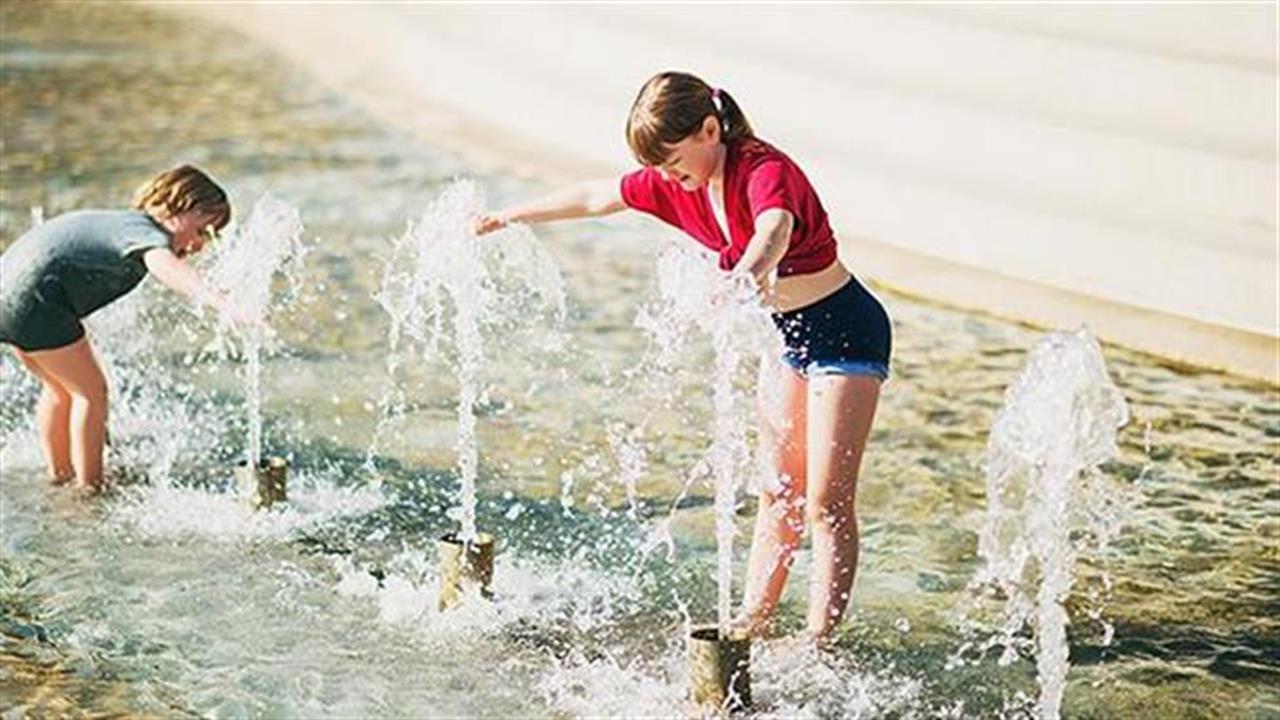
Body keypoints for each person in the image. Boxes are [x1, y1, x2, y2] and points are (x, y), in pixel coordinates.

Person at [473, 71, 893, 644]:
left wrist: (744, 276)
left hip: (846, 334)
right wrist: (511, 215)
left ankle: (820, 641)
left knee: (825, 502)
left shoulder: (764, 168)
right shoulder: (678, 182)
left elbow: (774, 229)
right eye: (663, 171)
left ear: (710, 129)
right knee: (777, 491)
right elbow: (596, 196)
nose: (671, 179)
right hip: (789, 338)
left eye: (674, 163)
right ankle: (752, 621)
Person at [1, 164, 246, 495]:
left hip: (11, 297)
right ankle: (89, 490)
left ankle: (59, 475)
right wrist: (222, 302)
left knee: (61, 390)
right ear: (180, 205)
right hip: (37, 300)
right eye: (203, 231)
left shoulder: (123, 224)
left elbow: (65, 257)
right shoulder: (148, 234)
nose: (202, 245)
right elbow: (166, 267)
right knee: (91, 392)